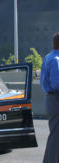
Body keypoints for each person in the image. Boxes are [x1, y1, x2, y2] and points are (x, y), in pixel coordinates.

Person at [41, 32, 59, 163]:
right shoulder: (56, 60)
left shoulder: (49, 56)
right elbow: (56, 83)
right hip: (56, 99)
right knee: (56, 135)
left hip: (51, 99)